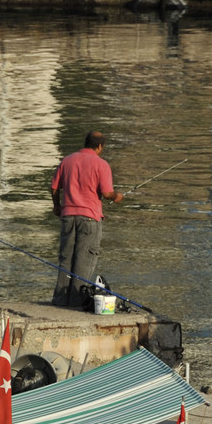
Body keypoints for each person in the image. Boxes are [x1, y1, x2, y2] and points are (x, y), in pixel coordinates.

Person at [50, 131, 124, 310]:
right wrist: (117, 196)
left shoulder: (67, 160)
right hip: (90, 218)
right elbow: (107, 194)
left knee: (66, 258)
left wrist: (57, 207)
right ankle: (75, 303)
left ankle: (60, 299)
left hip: (68, 216)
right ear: (99, 146)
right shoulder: (101, 164)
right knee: (84, 259)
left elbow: (54, 187)